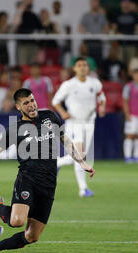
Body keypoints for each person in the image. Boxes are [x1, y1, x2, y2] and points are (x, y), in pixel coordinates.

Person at [0, 88, 95, 253]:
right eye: (26, 103)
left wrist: (81, 162)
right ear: (18, 107)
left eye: (32, 100)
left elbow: (66, 141)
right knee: (17, 221)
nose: (31, 105)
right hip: (28, 179)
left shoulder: (50, 116)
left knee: (32, 236)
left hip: (49, 183)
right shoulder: (16, 129)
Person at [53, 57, 106, 197]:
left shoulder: (95, 83)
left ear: (88, 68)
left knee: (79, 156)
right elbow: (56, 101)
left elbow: (102, 98)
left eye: (85, 65)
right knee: (80, 155)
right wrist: (63, 112)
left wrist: (102, 107)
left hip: (89, 123)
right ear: (74, 68)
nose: (82, 67)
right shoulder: (69, 84)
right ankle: (83, 189)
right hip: (74, 123)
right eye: (79, 65)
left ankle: (57, 163)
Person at [109, 0, 138, 65]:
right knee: (120, 63)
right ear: (121, 4)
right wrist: (117, 35)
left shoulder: (134, 15)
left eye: (127, 3)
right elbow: (113, 28)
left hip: (132, 44)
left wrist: (137, 39)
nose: (126, 4)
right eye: (124, 2)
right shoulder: (116, 14)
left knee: (131, 63)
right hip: (120, 44)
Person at [78, 0, 109, 66]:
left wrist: (102, 33)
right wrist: (86, 33)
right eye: (93, 2)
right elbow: (80, 28)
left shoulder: (102, 15)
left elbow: (106, 28)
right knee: (88, 62)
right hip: (88, 42)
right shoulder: (86, 15)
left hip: (98, 42)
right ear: (90, 3)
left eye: (96, 2)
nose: (94, 4)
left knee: (98, 63)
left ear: (98, 3)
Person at [14, 0, 44, 65]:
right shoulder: (19, 15)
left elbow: (40, 28)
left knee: (32, 64)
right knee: (23, 64)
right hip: (23, 44)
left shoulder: (34, 15)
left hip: (33, 44)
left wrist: (36, 35)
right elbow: (16, 25)